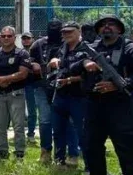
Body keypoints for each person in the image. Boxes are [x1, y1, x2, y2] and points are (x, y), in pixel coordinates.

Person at [73, 15, 133, 175]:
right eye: (103, 25)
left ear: (119, 29)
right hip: (95, 104)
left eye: (111, 25)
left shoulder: (130, 49)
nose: (107, 28)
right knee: (91, 144)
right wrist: (85, 63)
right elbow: (72, 64)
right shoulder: (91, 49)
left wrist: (119, 84)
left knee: (126, 146)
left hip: (120, 104)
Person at [0, 26, 32, 160]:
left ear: (14, 37)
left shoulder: (22, 53)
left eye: (9, 36)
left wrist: (5, 79)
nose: (6, 38)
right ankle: (1, 152)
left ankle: (19, 153)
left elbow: (23, 74)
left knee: (18, 126)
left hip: (15, 94)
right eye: (3, 36)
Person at [47, 22, 86, 167]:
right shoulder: (62, 48)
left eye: (70, 31)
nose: (66, 34)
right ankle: (59, 161)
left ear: (79, 31)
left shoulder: (87, 49)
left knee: (81, 132)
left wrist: (70, 80)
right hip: (60, 95)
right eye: (64, 32)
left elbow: (92, 74)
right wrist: (53, 60)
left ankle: (90, 168)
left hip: (79, 96)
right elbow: (54, 62)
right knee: (57, 130)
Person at [27, 21, 65, 163]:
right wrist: (33, 63)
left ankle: (62, 154)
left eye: (57, 29)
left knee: (64, 121)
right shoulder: (38, 44)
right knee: (45, 120)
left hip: (62, 87)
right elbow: (28, 60)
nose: (54, 31)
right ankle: (45, 151)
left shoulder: (67, 43)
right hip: (42, 86)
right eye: (51, 28)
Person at [19, 32, 38, 139]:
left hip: (33, 84)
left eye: (28, 38)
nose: (26, 40)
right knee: (18, 110)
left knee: (32, 110)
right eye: (24, 38)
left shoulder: (36, 51)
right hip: (21, 84)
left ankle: (31, 133)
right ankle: (19, 132)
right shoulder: (19, 52)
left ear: (32, 39)